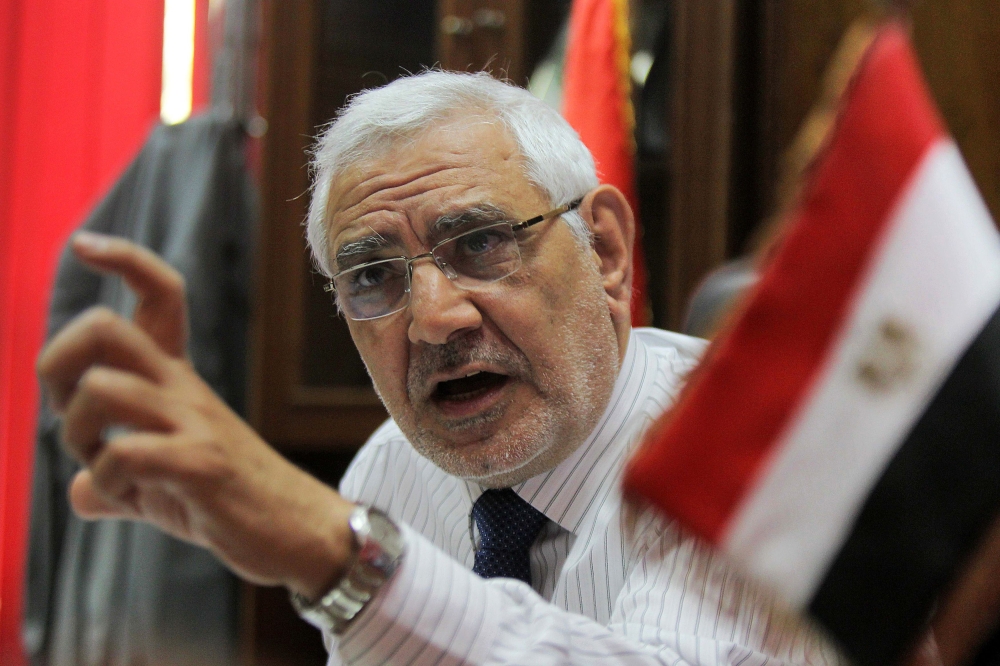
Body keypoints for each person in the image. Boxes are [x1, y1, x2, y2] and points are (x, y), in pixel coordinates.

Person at [37, 71, 843, 665]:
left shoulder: (745, 444)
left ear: (603, 250)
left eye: (483, 244)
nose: (432, 319)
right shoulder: (388, 478)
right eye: (372, 277)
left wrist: (335, 552)